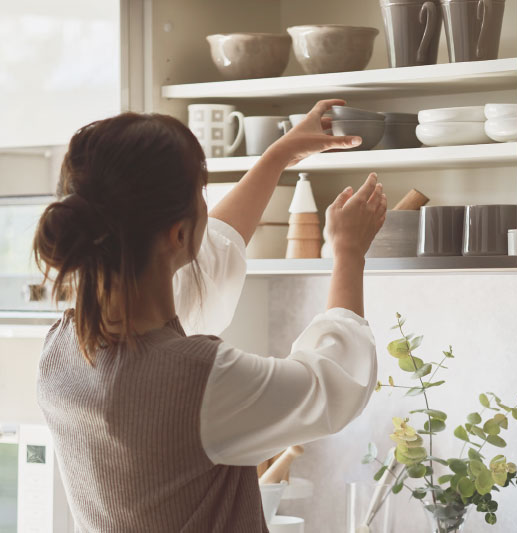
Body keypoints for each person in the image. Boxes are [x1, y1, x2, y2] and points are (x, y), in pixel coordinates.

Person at [33, 99, 386, 532]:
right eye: (201, 194)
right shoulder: (200, 380)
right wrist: (348, 254)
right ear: (178, 233)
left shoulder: (60, 354)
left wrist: (279, 155)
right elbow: (332, 385)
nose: (206, 206)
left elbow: (206, 256)